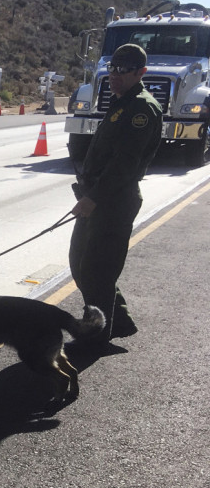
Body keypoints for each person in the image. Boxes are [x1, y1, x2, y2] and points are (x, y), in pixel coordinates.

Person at [69, 43, 162, 347]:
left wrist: (93, 197)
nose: (115, 75)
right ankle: (118, 322)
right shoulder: (122, 101)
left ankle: (95, 338)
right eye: (112, 68)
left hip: (114, 200)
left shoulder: (141, 109)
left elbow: (125, 164)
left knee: (97, 271)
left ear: (141, 72)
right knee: (81, 262)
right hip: (98, 195)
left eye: (124, 70)